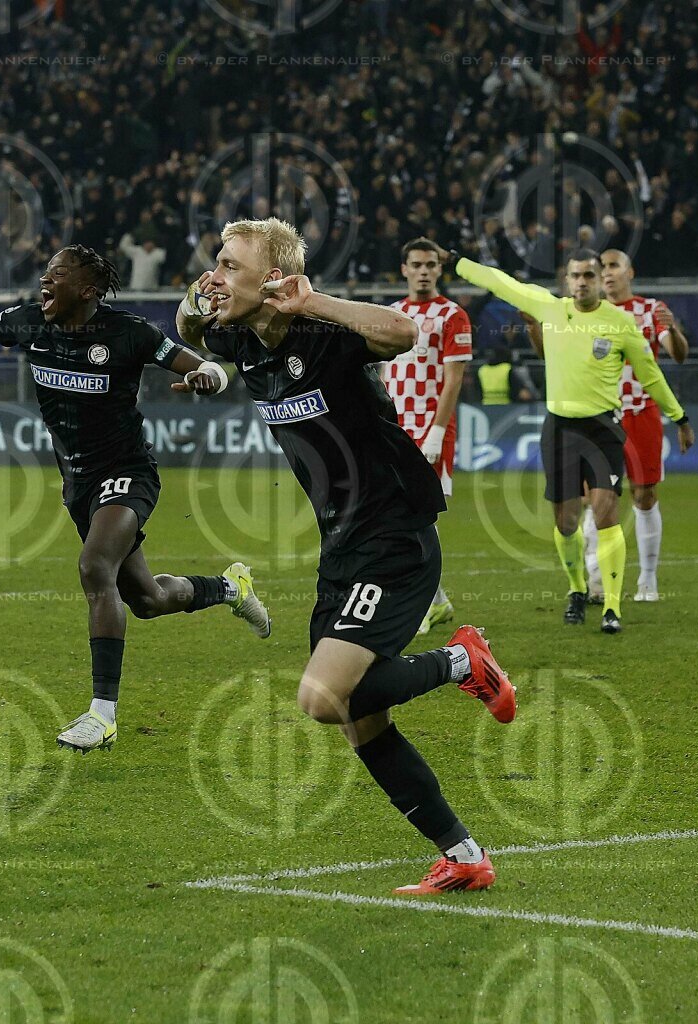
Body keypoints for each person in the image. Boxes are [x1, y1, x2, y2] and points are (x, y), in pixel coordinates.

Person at [177, 218, 516, 895]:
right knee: (361, 723)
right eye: (215, 262)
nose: (217, 276)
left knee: (320, 696)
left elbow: (401, 333)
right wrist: (201, 293)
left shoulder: (320, 335)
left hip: (393, 536)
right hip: (341, 545)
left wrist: (313, 300)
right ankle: (464, 855)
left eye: (231, 265)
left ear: (276, 282)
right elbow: (188, 326)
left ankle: (460, 659)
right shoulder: (238, 337)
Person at [0, 244, 271, 753]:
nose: (44, 283)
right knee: (146, 599)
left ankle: (102, 715)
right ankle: (231, 589)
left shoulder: (129, 333)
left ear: (88, 290)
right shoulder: (33, 322)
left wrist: (203, 378)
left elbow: (205, 368)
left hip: (127, 473)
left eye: (56, 276)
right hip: (78, 484)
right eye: (45, 275)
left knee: (94, 566)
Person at [445, 244, 694, 634]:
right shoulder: (550, 308)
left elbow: (650, 375)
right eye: (575, 276)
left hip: (604, 428)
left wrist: (680, 416)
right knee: (565, 522)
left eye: (589, 275)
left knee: (606, 510)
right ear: (567, 280)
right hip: (560, 428)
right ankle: (577, 590)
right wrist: (456, 262)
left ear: (598, 280)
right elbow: (499, 281)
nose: (582, 282)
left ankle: (612, 606)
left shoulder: (619, 322)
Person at [582, 250, 690, 603]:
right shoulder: (587, 310)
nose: (607, 273)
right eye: (602, 268)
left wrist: (672, 327)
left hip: (640, 413)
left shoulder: (648, 309)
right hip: (599, 414)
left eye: (614, 266)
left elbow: (677, 354)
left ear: (630, 271)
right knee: (594, 498)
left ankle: (647, 578)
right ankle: (595, 582)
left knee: (644, 496)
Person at [380, 238, 472, 633]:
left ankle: (423, 601)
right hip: (394, 428)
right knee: (399, 515)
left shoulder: (452, 315)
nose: (423, 271)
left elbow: (453, 381)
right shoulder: (393, 313)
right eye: (416, 264)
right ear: (404, 269)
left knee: (415, 515)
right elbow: (384, 374)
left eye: (430, 265)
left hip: (430, 430)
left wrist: (436, 433)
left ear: (439, 269)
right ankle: (435, 601)